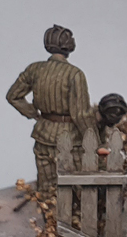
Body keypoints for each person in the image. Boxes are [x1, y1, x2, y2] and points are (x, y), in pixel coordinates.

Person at [6, 25, 97, 202]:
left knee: (47, 187)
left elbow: (13, 96)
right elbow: (81, 114)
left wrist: (34, 114)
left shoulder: (34, 69)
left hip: (43, 134)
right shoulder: (75, 74)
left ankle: (50, 215)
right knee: (77, 186)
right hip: (70, 139)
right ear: (69, 46)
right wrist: (94, 141)